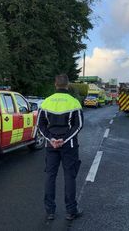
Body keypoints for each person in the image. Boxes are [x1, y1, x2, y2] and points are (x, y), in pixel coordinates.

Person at [37, 74, 84, 221]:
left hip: (51, 145)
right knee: (70, 176)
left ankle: (50, 211)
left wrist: (52, 139)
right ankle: (71, 211)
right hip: (69, 145)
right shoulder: (74, 102)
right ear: (67, 84)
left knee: (50, 176)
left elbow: (40, 125)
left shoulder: (46, 102)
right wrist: (63, 140)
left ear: (55, 84)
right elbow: (79, 125)